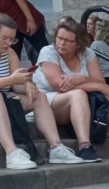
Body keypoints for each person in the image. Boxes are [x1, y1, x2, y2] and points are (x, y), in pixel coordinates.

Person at [32, 17, 109, 163]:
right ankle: (84, 146)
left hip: (78, 104)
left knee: (107, 96)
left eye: (68, 41)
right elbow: (60, 85)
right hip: (48, 103)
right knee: (79, 94)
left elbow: (100, 80)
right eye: (59, 38)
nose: (61, 43)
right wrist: (98, 85)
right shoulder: (48, 51)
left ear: (78, 44)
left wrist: (81, 79)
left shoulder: (87, 53)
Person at [0, 14, 84, 168]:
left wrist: (28, 83)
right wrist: (11, 80)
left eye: (12, 39)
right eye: (5, 38)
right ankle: (11, 152)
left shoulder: (10, 53)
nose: (9, 43)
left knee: (39, 96)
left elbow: (17, 85)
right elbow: (11, 81)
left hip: (8, 98)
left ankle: (56, 147)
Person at [0, 0, 48, 64]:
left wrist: (30, 19)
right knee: (13, 56)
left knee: (43, 51)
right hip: (11, 28)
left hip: (25, 18)